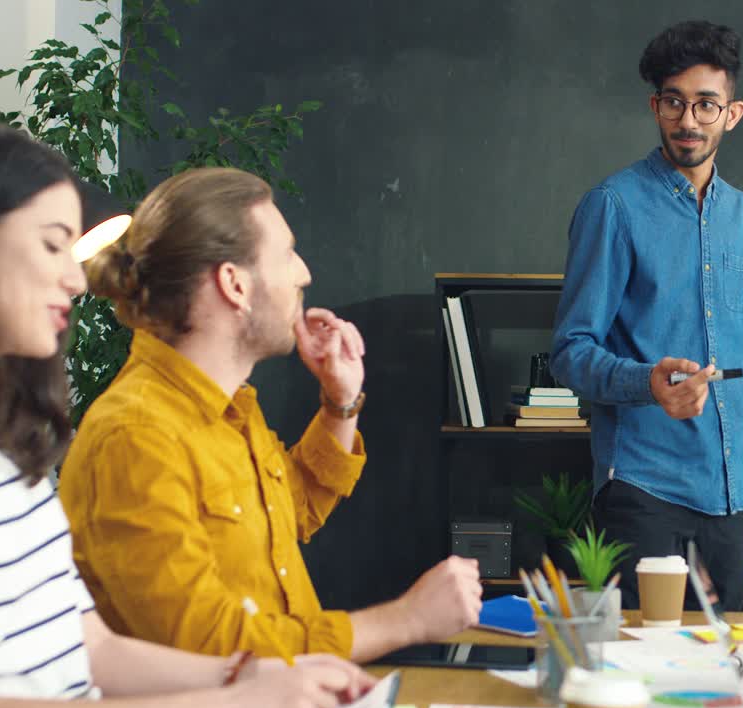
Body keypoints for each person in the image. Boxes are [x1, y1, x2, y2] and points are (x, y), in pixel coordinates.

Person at [0, 119, 371, 708]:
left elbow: (93, 649)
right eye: (52, 245)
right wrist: (236, 701)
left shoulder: (6, 453)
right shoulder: (132, 434)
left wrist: (259, 678)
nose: (76, 279)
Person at [58, 167, 482, 663]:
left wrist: (339, 402)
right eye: (286, 254)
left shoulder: (230, 409)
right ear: (234, 284)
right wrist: (406, 619)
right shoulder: (134, 439)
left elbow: (291, 509)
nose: (303, 273)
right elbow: (211, 648)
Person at [550, 20, 743, 612]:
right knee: (642, 662)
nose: (688, 121)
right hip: (643, 490)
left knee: (717, 667)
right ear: (656, 106)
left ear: (732, 114)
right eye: (674, 102)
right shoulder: (614, 207)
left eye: (706, 104)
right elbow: (571, 351)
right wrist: (645, 383)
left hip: (729, 500)